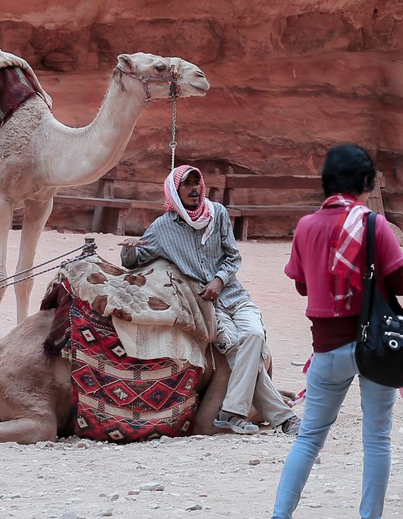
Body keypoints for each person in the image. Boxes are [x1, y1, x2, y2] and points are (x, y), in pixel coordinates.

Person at [262, 145, 403, 519]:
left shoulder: (307, 226)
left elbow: (302, 284)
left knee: (309, 438)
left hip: (326, 348)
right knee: (377, 438)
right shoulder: (374, 225)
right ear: (366, 184)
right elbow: (399, 285)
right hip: (374, 348)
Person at [123, 165, 295, 436]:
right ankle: (284, 419)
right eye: (187, 184)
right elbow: (134, 260)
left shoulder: (218, 214)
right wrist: (130, 251)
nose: (194, 188)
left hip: (234, 295)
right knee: (237, 348)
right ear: (175, 190)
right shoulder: (162, 228)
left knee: (254, 336)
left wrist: (219, 280)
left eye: (197, 183)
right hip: (207, 306)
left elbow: (233, 257)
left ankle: (232, 412)